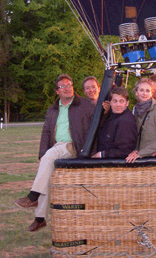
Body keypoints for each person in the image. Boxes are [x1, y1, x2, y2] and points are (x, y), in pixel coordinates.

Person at [14, 74, 95, 232]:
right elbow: (46, 132)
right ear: (56, 91)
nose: (66, 88)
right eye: (62, 86)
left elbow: (101, 120)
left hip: (74, 146)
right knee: (45, 174)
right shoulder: (53, 109)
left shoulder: (85, 104)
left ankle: (32, 197)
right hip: (56, 147)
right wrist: (41, 154)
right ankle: (40, 218)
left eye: (69, 85)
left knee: (49, 157)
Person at [126, 78, 156, 163]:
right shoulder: (135, 111)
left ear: (151, 93)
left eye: (147, 91)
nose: (144, 93)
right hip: (139, 158)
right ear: (136, 92)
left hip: (152, 159)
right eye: (141, 90)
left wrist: (141, 153)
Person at [92, 87, 138, 158]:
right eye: (115, 101)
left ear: (127, 103)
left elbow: (124, 151)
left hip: (115, 165)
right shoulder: (112, 116)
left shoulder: (125, 121)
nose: (118, 105)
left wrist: (101, 154)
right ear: (110, 102)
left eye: (121, 101)